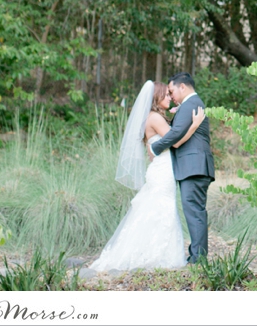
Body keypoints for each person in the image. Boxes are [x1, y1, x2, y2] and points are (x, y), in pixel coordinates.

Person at [89, 80, 205, 272]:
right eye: (166, 94)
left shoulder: (152, 117)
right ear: (156, 97)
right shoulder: (155, 119)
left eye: (170, 94)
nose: (170, 97)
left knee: (157, 209)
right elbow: (175, 142)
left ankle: (155, 252)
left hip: (160, 169)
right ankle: (155, 255)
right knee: (162, 209)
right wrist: (194, 125)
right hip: (162, 171)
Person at [149, 72, 215, 264]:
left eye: (172, 91)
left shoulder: (191, 104)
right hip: (193, 167)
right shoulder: (189, 106)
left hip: (194, 167)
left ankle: (198, 259)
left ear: (182, 87)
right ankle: (196, 255)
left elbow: (176, 134)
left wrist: (155, 147)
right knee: (194, 211)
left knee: (194, 211)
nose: (172, 97)